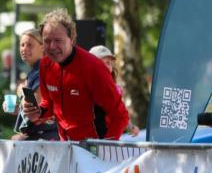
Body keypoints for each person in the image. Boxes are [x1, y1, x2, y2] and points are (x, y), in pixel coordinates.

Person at [22, 9, 129, 141]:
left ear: (72, 39)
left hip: (94, 145)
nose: (52, 46)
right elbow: (48, 104)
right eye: (47, 41)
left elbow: (120, 116)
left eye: (58, 40)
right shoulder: (45, 65)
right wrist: (38, 112)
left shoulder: (93, 68)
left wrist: (106, 148)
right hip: (66, 145)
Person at [9, 29, 58, 141]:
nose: (24, 49)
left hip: (45, 137)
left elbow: (35, 110)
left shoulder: (41, 69)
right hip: (45, 134)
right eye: (22, 45)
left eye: (30, 45)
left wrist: (21, 90)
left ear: (42, 47)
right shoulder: (36, 70)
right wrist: (15, 109)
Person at [89, 45, 140, 136]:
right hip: (88, 138)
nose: (106, 66)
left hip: (108, 140)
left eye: (108, 62)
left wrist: (130, 126)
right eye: (101, 63)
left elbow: (120, 113)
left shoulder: (115, 89)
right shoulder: (83, 86)